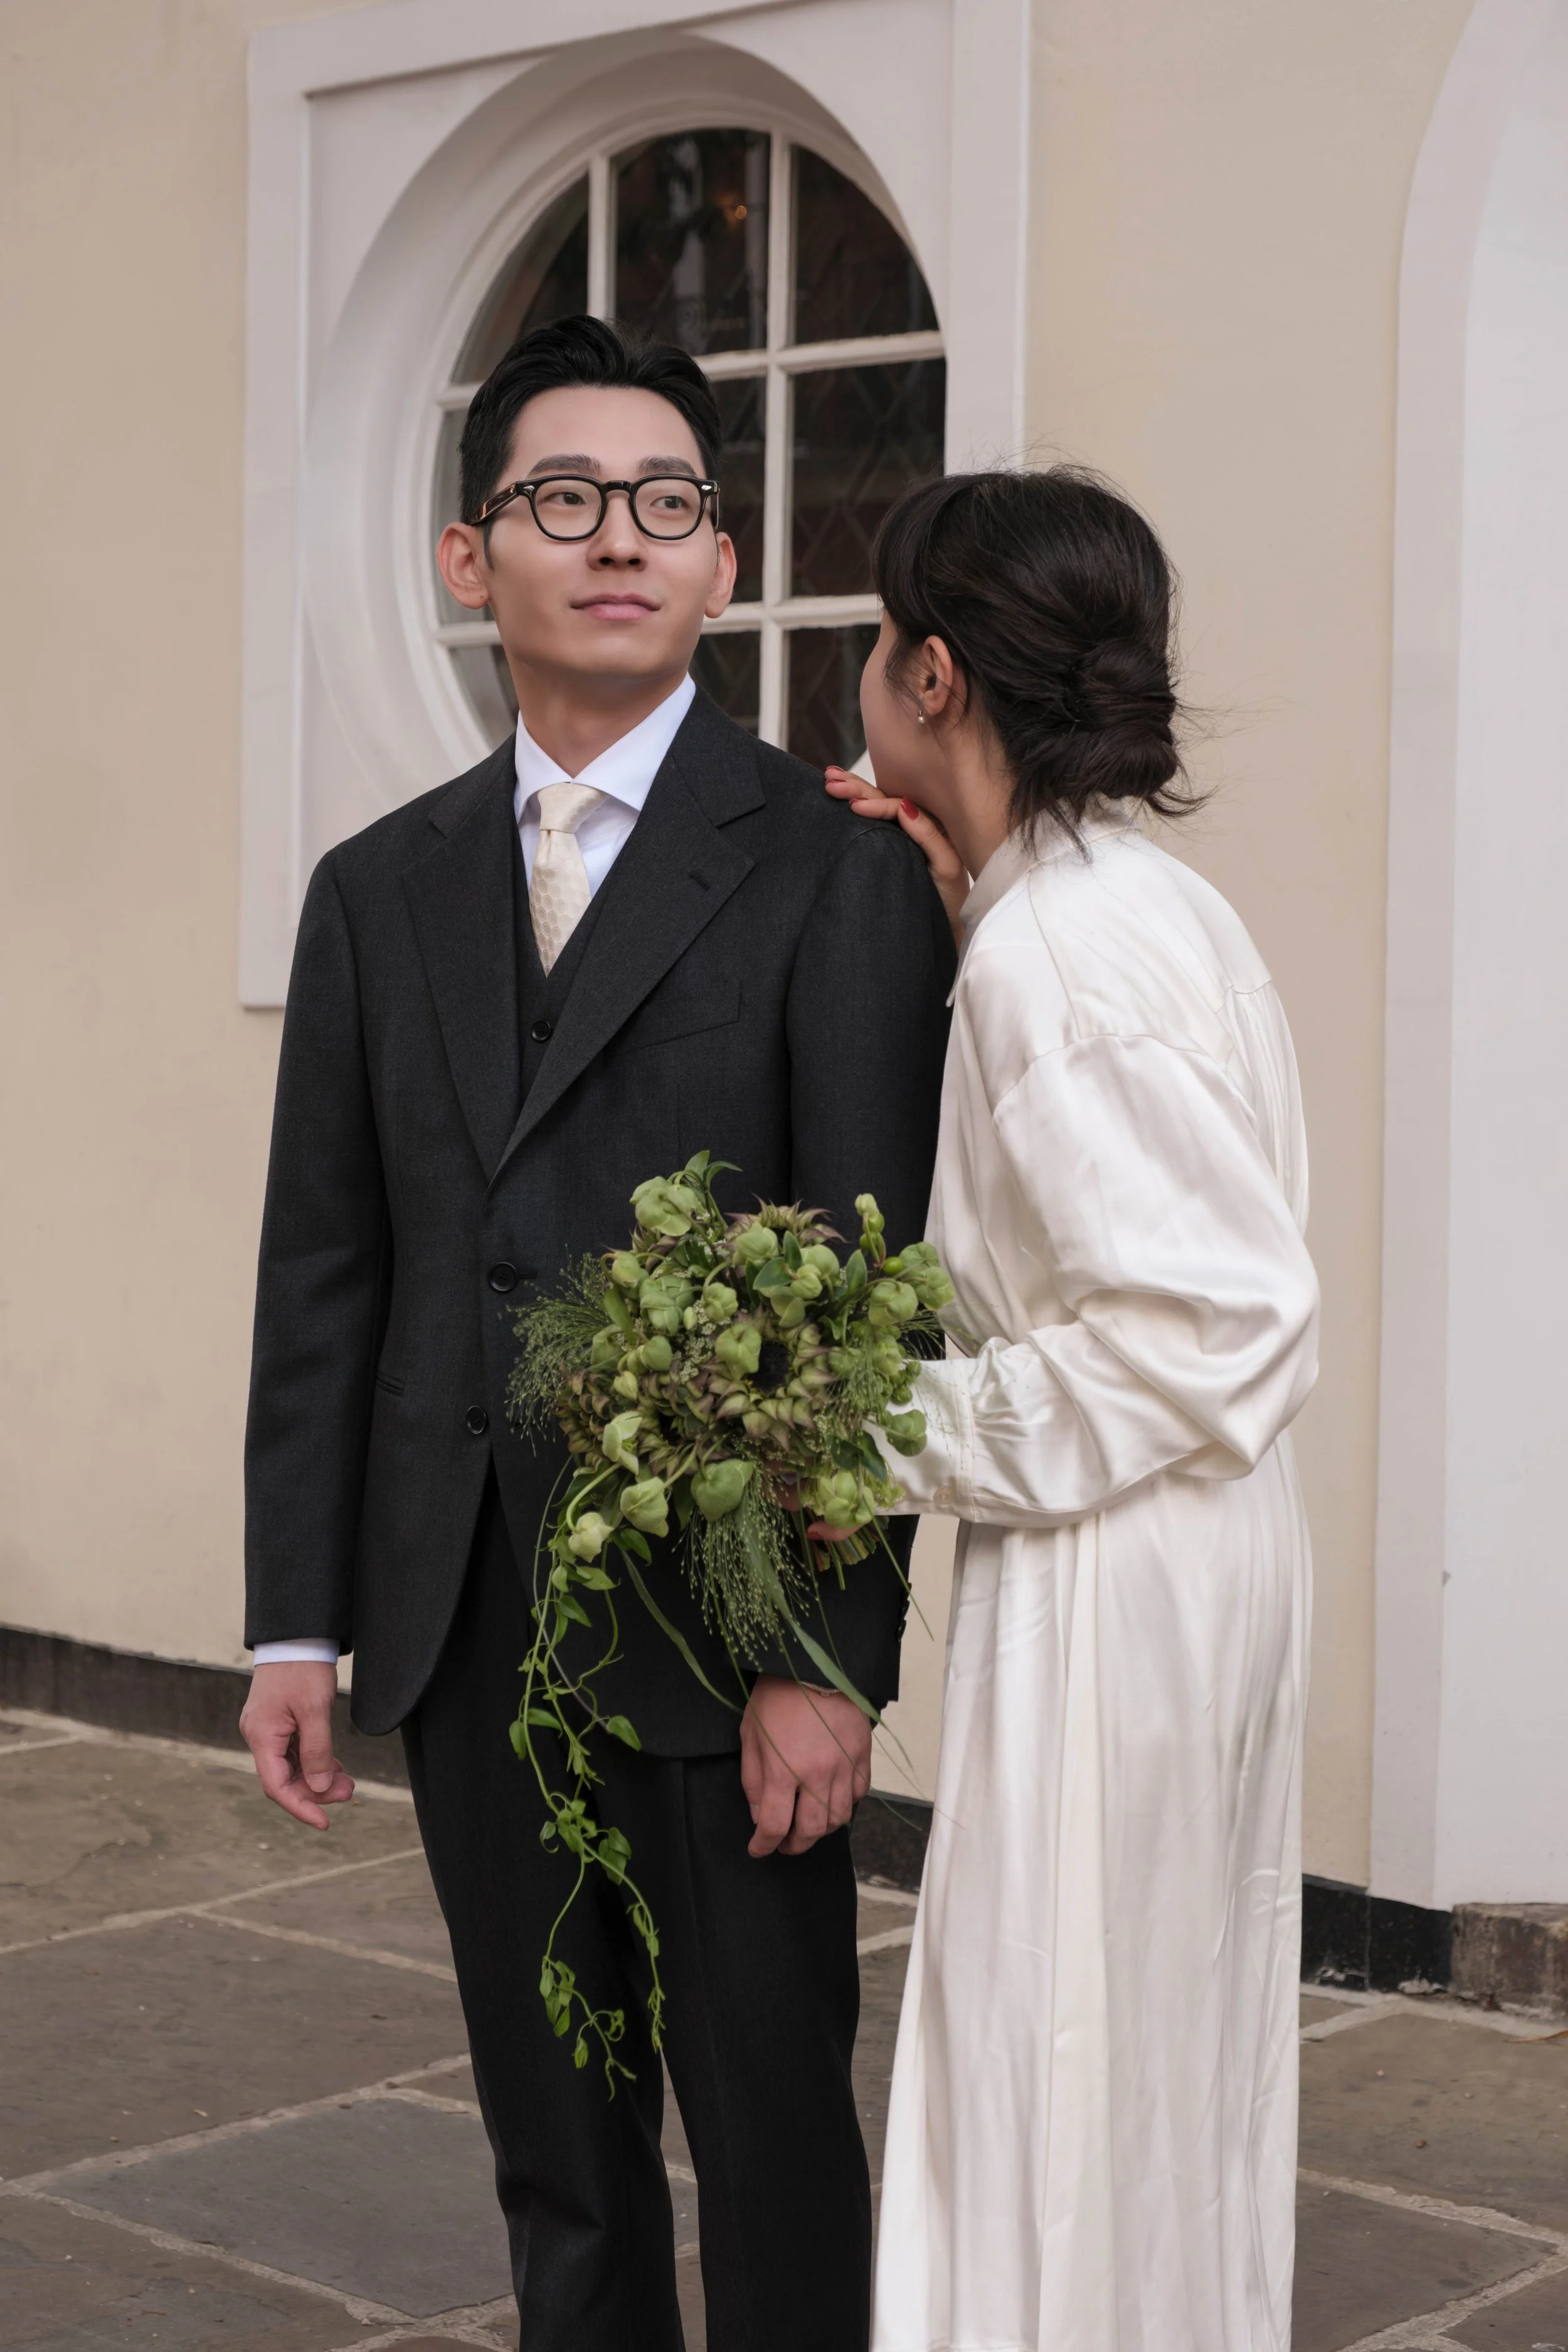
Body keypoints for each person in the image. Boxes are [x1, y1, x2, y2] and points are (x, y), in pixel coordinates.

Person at [238, 314, 954, 2352]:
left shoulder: (833, 867)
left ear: (724, 564)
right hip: (464, 1617)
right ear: (476, 559)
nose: (614, 538)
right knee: (553, 2151)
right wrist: (301, 1619)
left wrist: (827, 1661)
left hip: (726, 1640)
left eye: (665, 502)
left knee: (772, 2146)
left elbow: (870, 1289)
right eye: (561, 499)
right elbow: (327, 1270)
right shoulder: (376, 891)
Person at [823, 469, 1319, 2351]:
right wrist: (964, 901)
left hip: (1124, 1560)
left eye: (875, 645)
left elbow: (1202, 1315)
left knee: (1054, 2051)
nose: (864, 681)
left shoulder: (1057, 955)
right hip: (1198, 1543)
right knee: (1151, 2054)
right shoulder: (1126, 904)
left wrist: (867, 1432)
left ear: (933, 678)